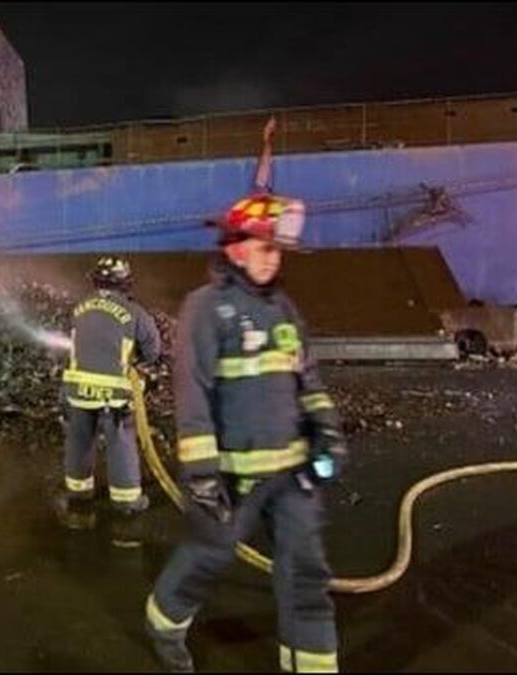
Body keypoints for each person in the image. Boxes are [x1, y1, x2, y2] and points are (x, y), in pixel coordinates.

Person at [144, 118, 348, 672]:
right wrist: (202, 473)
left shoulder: (284, 311)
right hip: (231, 477)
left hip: (293, 475)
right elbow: (192, 392)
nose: (271, 258)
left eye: (277, 250)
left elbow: (308, 380)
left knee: (306, 573)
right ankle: (164, 621)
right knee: (210, 555)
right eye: (262, 247)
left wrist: (326, 431)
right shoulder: (205, 309)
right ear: (234, 248)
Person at [60, 256, 162, 515]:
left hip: (77, 388)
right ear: (126, 283)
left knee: (79, 439)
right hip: (114, 393)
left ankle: (79, 492)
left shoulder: (79, 307)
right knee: (121, 440)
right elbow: (153, 349)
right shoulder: (134, 312)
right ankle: (126, 500)